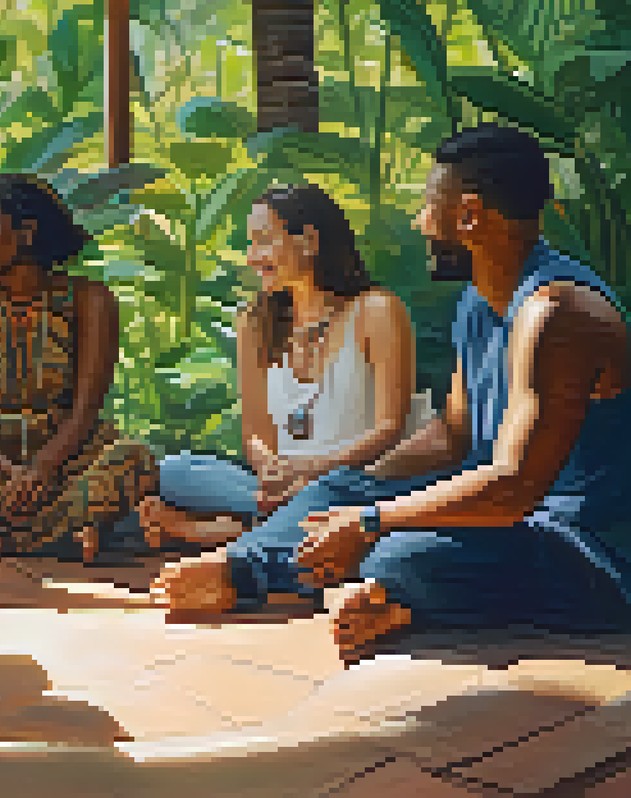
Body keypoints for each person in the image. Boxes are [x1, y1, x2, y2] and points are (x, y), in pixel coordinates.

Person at [153, 124, 631, 662]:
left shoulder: (557, 315)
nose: (420, 222)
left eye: (429, 207)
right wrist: (359, 488)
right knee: (345, 490)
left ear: (469, 215)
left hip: (590, 556)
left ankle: (342, 587)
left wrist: (373, 519)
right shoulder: (479, 303)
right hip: (506, 521)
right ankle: (258, 568)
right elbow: (454, 434)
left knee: (402, 551)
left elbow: (512, 488)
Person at [136, 185, 434, 550]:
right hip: (284, 485)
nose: (251, 257)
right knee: (175, 470)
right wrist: (271, 475)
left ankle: (231, 532)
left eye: (263, 241)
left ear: (309, 240)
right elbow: (256, 436)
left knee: (333, 499)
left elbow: (391, 428)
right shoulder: (255, 322)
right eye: (250, 244)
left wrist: (307, 472)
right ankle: (272, 525)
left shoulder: (377, 310)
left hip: (360, 484)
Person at [0, 174, 158, 560]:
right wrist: (11, 471)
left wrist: (41, 469)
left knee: (135, 461)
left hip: (70, 458)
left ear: (25, 233)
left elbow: (86, 409)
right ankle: (60, 534)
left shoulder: (91, 300)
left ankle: (1, 541)